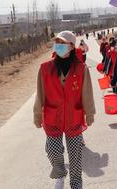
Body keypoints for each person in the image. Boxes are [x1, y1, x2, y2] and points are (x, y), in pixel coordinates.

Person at [33, 31, 95, 189]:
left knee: (75, 156)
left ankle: (76, 184)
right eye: (57, 42)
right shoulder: (45, 68)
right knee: (52, 149)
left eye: (63, 42)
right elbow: (40, 93)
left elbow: (86, 93)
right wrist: (37, 114)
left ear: (72, 46)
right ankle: (60, 174)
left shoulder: (81, 69)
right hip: (52, 117)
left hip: (74, 117)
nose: (59, 45)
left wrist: (89, 113)